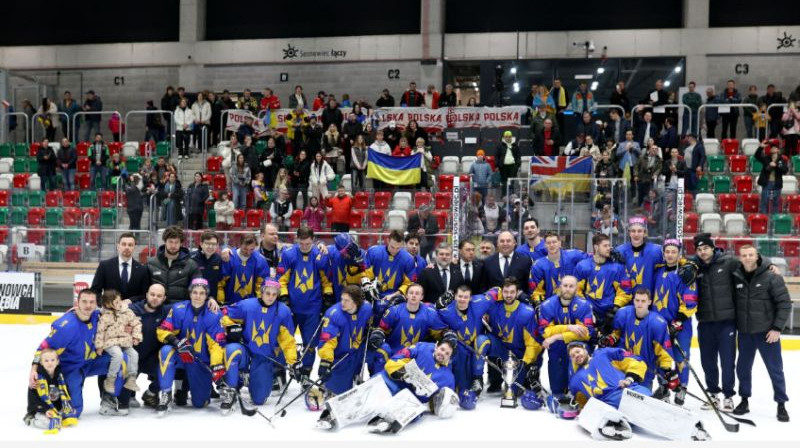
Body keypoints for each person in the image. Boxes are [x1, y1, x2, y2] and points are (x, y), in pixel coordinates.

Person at [316, 339, 457, 433]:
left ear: (450, 358)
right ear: (437, 345)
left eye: (447, 353)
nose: (442, 354)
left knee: (416, 410)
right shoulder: (421, 348)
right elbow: (393, 361)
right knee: (366, 395)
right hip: (391, 382)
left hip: (409, 398)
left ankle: (386, 421)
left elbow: (435, 404)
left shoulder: (448, 378)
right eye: (442, 349)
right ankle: (332, 415)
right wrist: (404, 374)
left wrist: (435, 403)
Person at [30, 289, 127, 417]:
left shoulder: (98, 316)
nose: (88, 305)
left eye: (92, 302)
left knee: (122, 359)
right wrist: (34, 369)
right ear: (77, 302)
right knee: (73, 413)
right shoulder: (66, 326)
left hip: (91, 363)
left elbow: (121, 313)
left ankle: (109, 399)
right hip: (71, 369)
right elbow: (43, 348)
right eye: (84, 301)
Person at [731, 245, 791, 422]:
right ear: (740, 257)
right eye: (744, 255)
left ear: (757, 256)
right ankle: (744, 400)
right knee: (743, 369)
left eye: (751, 255)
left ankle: (781, 404)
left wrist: (777, 328)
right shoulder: (736, 276)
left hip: (767, 334)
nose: (748, 258)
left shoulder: (772, 276)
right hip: (745, 333)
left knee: (775, 370)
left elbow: (784, 304)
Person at [681, 233, 738, 411]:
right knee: (708, 361)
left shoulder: (729, 262)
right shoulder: (695, 267)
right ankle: (713, 394)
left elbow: (750, 267)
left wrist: (769, 266)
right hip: (705, 322)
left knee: (728, 361)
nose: (703, 252)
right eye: (699, 249)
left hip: (726, 322)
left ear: (713, 248)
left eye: (706, 248)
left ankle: (728, 396)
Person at [221, 279, 297, 409]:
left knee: (259, 399)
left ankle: (252, 378)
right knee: (231, 350)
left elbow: (288, 341)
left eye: (274, 294)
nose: (270, 297)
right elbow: (223, 314)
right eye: (267, 293)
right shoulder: (247, 305)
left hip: (264, 356)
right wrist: (232, 327)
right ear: (261, 292)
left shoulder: (283, 311)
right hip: (245, 349)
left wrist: (294, 361)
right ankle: (231, 388)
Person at [155, 278, 226, 414]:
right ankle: (166, 394)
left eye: (201, 293)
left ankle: (200, 391)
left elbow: (217, 344)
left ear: (207, 295)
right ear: (190, 293)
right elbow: (162, 330)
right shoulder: (178, 309)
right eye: (195, 292)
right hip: (182, 354)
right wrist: (176, 342)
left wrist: (217, 364)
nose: (198, 296)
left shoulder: (214, 314)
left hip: (200, 361)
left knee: (199, 403)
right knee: (165, 351)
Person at [277, 227, 333, 376]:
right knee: (284, 340)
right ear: (297, 240)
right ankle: (280, 372)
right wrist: (284, 297)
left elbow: (326, 280)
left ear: (313, 241)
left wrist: (328, 297)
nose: (304, 247)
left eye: (307, 243)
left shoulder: (319, 255)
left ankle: (306, 373)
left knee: (310, 343)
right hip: (292, 308)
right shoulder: (288, 254)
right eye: (301, 243)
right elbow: (281, 280)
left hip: (312, 308)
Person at [652, 239, 698, 405]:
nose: (670, 255)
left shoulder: (685, 273)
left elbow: (691, 302)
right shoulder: (657, 271)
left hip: (681, 326)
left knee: (681, 359)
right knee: (660, 357)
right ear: (663, 254)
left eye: (673, 252)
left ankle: (681, 390)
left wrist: (677, 323)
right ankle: (663, 387)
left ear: (679, 254)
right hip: (659, 325)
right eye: (667, 252)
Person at [603, 288, 675, 393]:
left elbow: (664, 353)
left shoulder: (658, 323)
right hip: (622, 368)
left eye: (643, 301)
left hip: (645, 373)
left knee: (641, 402)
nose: (639, 304)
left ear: (649, 302)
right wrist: (610, 339)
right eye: (637, 300)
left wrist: (667, 371)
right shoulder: (623, 313)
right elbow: (616, 334)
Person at [368, 283, 448, 373]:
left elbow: (439, 333)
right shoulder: (393, 311)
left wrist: (446, 334)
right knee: (382, 349)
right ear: (406, 295)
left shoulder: (430, 313)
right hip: (393, 353)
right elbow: (382, 330)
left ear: (422, 297)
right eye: (411, 293)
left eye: (417, 293)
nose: (414, 295)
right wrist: (378, 333)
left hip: (415, 356)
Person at [537, 276, 595, 397]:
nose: (567, 289)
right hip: (557, 347)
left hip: (577, 343)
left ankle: (579, 390)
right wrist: (569, 327)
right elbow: (545, 332)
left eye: (571, 286)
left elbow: (587, 333)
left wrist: (556, 336)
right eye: (565, 285)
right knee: (557, 391)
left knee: (576, 349)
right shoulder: (547, 305)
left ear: (576, 288)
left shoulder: (584, 305)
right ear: (559, 286)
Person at [485, 278, 542, 394]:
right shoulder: (493, 307)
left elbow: (533, 343)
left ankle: (525, 379)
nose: (509, 295)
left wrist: (526, 363)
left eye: (512, 292)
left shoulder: (527, 312)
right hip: (501, 348)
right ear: (502, 292)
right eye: (506, 292)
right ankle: (478, 379)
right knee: (481, 341)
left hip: (519, 355)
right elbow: (479, 301)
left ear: (517, 293)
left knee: (514, 392)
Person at [317, 285, 374, 394]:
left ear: (356, 302)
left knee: (381, 351)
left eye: (347, 300)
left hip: (359, 351)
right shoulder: (334, 313)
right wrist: (326, 361)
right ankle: (329, 384)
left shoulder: (367, 309)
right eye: (342, 299)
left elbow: (371, 323)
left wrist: (372, 331)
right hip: (342, 356)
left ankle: (372, 381)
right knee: (338, 392)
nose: (342, 303)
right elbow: (327, 341)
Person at [574, 234, 632, 333]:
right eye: (605, 246)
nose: (609, 248)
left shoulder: (617, 268)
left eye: (609, 245)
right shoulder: (582, 266)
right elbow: (576, 290)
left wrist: (615, 308)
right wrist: (586, 308)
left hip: (610, 315)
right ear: (596, 247)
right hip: (588, 313)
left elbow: (625, 291)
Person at [568, 342, 651, 409]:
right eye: (573, 356)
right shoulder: (575, 380)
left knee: (645, 395)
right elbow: (582, 404)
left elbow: (635, 360)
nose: (576, 356)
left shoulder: (603, 353)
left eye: (578, 352)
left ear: (585, 350)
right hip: (607, 404)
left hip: (627, 390)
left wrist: (629, 379)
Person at [128, 283, 169, 408]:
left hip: (152, 357)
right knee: (125, 401)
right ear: (146, 295)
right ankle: (129, 395)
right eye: (152, 294)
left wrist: (210, 301)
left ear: (164, 298)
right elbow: (108, 312)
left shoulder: (167, 311)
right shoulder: (131, 310)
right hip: (133, 357)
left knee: (168, 367)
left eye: (159, 296)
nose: (155, 298)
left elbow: (189, 305)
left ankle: (151, 393)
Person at [95, 290, 142, 394]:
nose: (119, 303)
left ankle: (131, 379)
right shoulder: (104, 316)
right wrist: (99, 346)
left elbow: (137, 324)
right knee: (118, 355)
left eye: (119, 300)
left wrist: (136, 337)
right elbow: (100, 332)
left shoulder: (127, 311)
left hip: (124, 341)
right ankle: (110, 380)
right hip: (110, 342)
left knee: (134, 354)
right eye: (115, 302)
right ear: (107, 304)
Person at [362, 230, 417, 318]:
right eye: (392, 247)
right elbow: (365, 272)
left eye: (398, 248)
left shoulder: (408, 259)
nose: (394, 250)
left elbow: (409, 283)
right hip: (372, 293)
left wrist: (394, 295)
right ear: (387, 241)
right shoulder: (373, 252)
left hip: (395, 297)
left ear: (402, 244)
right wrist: (368, 284)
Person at [24, 348, 78, 434]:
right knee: (47, 422)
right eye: (46, 361)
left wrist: (67, 407)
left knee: (72, 415)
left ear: (57, 361)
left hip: (56, 408)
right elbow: (33, 400)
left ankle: (58, 417)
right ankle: (30, 420)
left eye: (52, 360)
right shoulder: (37, 379)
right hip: (41, 409)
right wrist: (45, 410)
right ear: (41, 363)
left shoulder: (60, 376)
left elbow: (65, 392)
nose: (50, 363)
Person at [147, 225, 201, 305]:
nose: (173, 246)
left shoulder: (191, 265)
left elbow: (198, 289)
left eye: (176, 242)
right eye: (170, 242)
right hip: (156, 309)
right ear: (165, 241)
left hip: (180, 310)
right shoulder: (151, 263)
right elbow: (144, 290)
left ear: (181, 243)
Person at [529, 232, 589, 304]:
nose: (551, 245)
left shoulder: (573, 255)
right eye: (548, 243)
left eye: (554, 242)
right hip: (552, 306)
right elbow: (536, 292)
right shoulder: (538, 265)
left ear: (560, 243)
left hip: (574, 304)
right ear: (545, 245)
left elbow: (591, 261)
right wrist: (541, 307)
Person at [91, 233, 151, 303]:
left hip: (133, 311)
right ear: (118, 246)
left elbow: (145, 294)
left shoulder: (142, 270)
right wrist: (105, 304)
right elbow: (95, 291)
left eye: (130, 245)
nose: (127, 247)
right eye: (124, 244)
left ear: (134, 247)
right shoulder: (104, 266)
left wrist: (131, 300)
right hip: (110, 310)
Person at [615, 217, 664, 293]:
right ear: (629, 232)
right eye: (633, 231)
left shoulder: (656, 251)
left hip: (647, 300)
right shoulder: (620, 251)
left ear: (645, 233)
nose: (636, 234)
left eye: (639, 231)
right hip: (625, 299)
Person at [755, 141, 789, 213]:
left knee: (776, 203)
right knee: (764, 202)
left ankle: (774, 221)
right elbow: (757, 155)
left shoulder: (781, 160)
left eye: (774, 147)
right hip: (767, 183)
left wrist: (776, 165)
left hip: (777, 184)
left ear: (777, 150)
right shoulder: (766, 158)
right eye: (771, 148)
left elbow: (785, 170)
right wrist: (760, 147)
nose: (772, 149)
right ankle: (763, 220)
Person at [190, 230, 223, 305]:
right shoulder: (191, 258)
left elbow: (220, 281)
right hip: (194, 301)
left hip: (212, 302)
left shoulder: (219, 259)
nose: (210, 247)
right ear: (201, 244)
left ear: (217, 245)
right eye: (208, 243)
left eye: (214, 244)